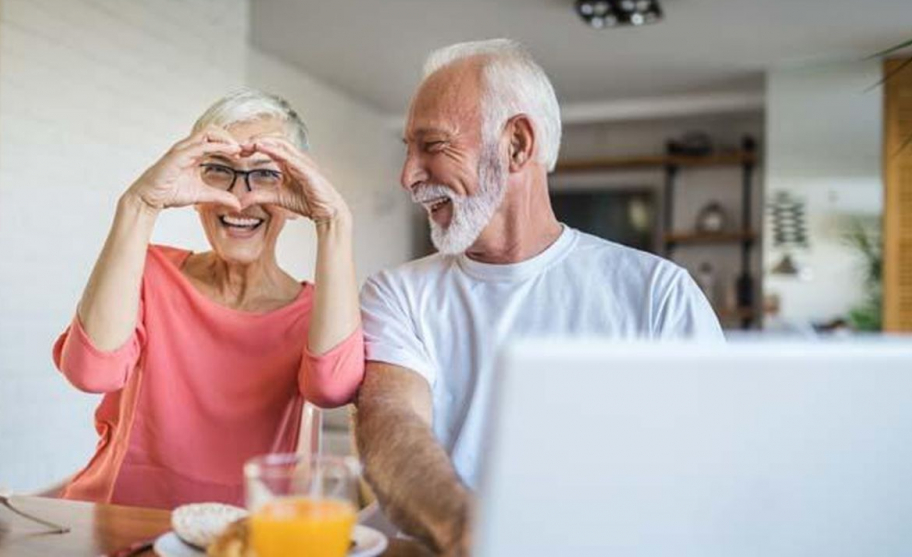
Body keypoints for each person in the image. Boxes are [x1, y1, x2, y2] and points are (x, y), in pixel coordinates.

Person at [355, 39, 724, 555]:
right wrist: (469, 535)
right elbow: (392, 424)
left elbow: (707, 468)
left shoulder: (658, 294)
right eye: (408, 150)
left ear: (517, 145)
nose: (408, 175)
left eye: (433, 146)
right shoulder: (397, 292)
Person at [52, 89, 363, 509]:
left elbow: (332, 388)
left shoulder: (314, 312)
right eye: (219, 170)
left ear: (295, 195)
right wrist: (139, 204)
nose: (241, 197)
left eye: (266, 174)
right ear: (195, 185)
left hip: (246, 540)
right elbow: (91, 372)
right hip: (117, 527)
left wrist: (334, 220)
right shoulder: (149, 272)